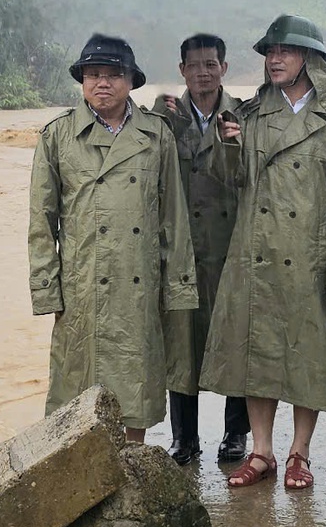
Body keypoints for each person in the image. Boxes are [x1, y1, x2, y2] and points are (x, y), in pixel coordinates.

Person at [200, 15, 326, 491]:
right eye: (270, 52)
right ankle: (262, 451)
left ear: (310, 59)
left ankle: (300, 453)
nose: (274, 59)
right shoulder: (247, 115)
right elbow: (226, 182)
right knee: (258, 353)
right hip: (255, 251)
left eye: (285, 52)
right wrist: (226, 146)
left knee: (307, 355)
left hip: (308, 252)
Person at [28, 33, 199, 439]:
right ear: (82, 81)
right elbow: (41, 221)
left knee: (134, 388)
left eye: (112, 74)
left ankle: (132, 474)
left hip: (138, 285)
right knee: (76, 395)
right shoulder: (57, 136)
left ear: (130, 81)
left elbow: (173, 218)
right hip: (81, 285)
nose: (101, 83)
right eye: (93, 74)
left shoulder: (156, 135)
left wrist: (178, 288)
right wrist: (47, 290)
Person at [153, 33, 251, 465]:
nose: (202, 73)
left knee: (235, 339)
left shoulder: (244, 115)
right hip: (182, 247)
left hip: (231, 245)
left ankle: (235, 435)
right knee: (182, 343)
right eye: (193, 66)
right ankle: (184, 439)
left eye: (211, 64)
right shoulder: (166, 117)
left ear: (224, 69)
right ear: (182, 71)